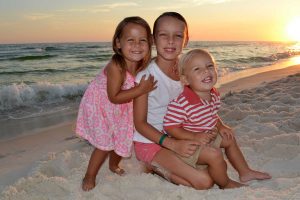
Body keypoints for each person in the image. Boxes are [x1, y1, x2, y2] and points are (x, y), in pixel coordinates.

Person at [133, 12, 243, 190]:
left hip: (179, 134)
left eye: (177, 36)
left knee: (216, 161)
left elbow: (203, 105)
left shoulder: (188, 70)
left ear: (186, 39)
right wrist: (172, 144)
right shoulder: (146, 77)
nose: (171, 41)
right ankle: (154, 167)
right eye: (164, 35)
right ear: (153, 39)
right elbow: (139, 124)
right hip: (151, 142)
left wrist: (220, 125)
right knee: (205, 182)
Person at [163, 48, 272, 184]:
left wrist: (221, 126)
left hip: (207, 137)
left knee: (229, 138)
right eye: (197, 69)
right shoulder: (182, 102)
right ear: (185, 79)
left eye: (210, 66)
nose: (206, 71)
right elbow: (170, 127)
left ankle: (245, 172)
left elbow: (212, 115)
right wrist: (194, 136)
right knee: (215, 155)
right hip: (188, 146)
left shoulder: (213, 94)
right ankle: (225, 183)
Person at [76, 16, 156, 191]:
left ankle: (113, 165)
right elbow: (114, 97)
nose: (137, 45)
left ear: (149, 43)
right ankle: (89, 175)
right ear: (118, 43)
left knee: (121, 137)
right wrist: (142, 89)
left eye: (142, 40)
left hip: (122, 106)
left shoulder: (143, 64)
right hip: (102, 106)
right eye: (130, 40)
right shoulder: (116, 66)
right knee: (104, 144)